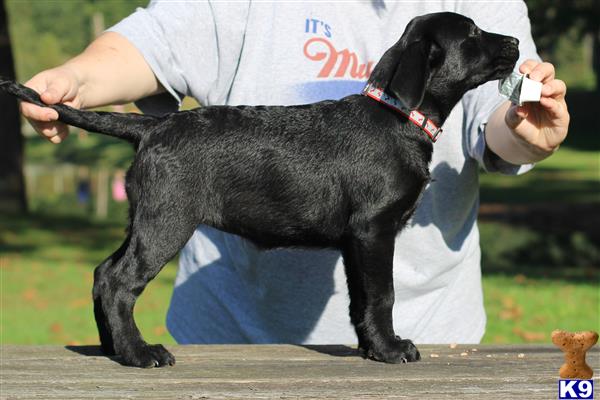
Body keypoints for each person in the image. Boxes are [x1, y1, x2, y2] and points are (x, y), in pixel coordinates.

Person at [20, 1, 569, 345]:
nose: (492, 44)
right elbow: (150, 42)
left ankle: (375, 333)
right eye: (472, 38)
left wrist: (526, 133)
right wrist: (75, 81)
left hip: (439, 331)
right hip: (230, 339)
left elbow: (500, 124)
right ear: (424, 65)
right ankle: (121, 325)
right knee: (138, 260)